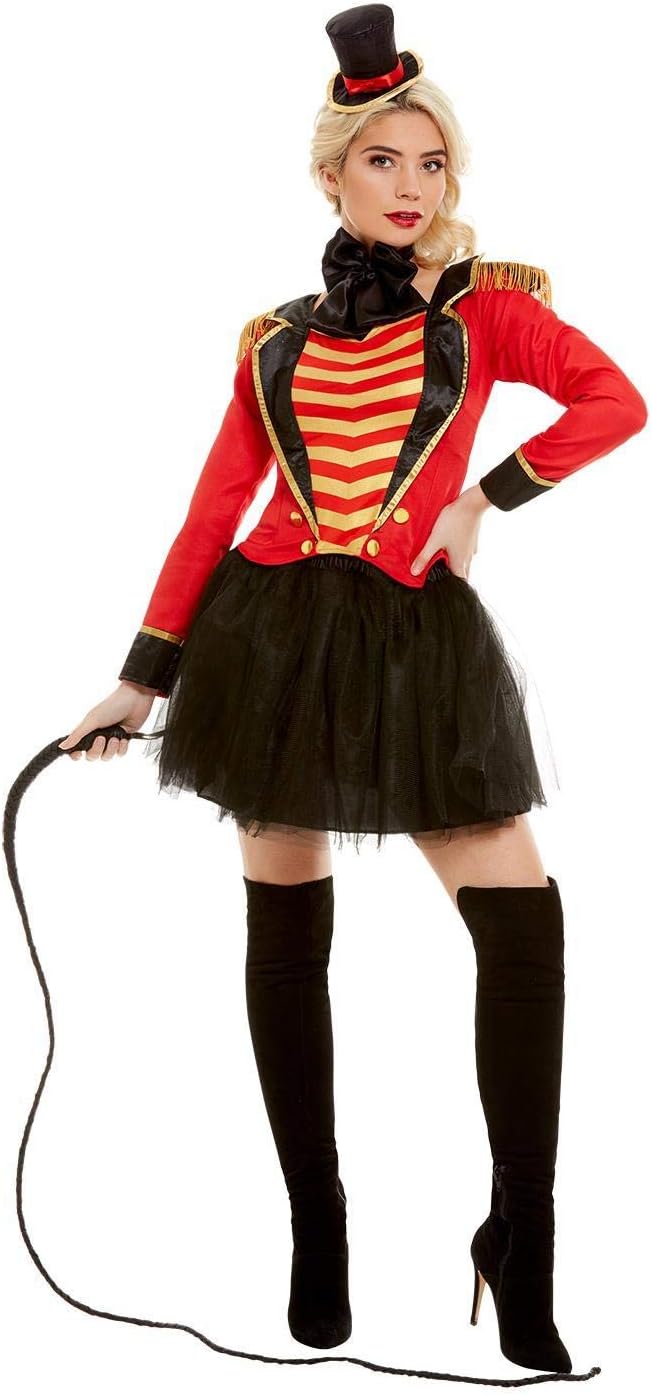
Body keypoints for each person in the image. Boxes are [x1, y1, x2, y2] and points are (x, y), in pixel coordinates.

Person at [58, 2, 647, 1375]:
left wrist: (485, 499)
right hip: (269, 641)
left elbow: (614, 402)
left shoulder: (485, 308)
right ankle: (315, 1231)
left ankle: (523, 1242)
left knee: (521, 925)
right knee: (285, 931)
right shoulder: (273, 342)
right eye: (385, 161)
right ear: (332, 176)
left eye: (433, 164)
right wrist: (141, 678)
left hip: (416, 646)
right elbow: (215, 509)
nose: (413, 186)